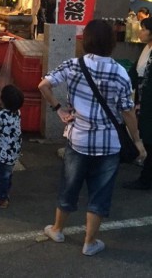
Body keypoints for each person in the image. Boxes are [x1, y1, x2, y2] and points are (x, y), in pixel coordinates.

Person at [38, 20, 146, 256]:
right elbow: (127, 111)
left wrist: (58, 109)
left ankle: (57, 229)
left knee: (70, 185)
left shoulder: (73, 65)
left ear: (85, 40)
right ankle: (90, 242)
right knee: (101, 193)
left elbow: (43, 85)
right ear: (111, 43)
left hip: (78, 138)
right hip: (108, 144)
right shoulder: (120, 72)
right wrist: (137, 141)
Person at [124, 17, 152, 191]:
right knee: (147, 138)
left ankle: (145, 180)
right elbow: (134, 74)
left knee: (149, 139)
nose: (140, 32)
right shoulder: (145, 49)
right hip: (143, 100)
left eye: (143, 29)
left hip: (149, 101)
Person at [0, 84, 24, 209]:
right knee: (8, 175)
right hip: (14, 151)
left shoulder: (1, 116)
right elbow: (4, 117)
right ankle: (5, 195)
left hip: (3, 153)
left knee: (2, 176)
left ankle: (1, 199)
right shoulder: (17, 112)